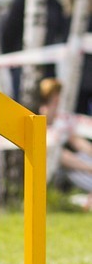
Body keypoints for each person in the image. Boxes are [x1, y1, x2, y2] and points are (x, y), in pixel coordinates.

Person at [0, 0, 68, 100]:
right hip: (22, 69)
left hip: (48, 68)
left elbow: (62, 36)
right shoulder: (21, 2)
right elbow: (6, 34)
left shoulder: (56, 5)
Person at [39, 78, 92, 207]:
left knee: (81, 155)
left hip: (69, 161)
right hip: (53, 162)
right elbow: (55, 151)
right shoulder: (41, 115)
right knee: (60, 154)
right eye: (56, 94)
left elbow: (74, 139)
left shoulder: (61, 116)